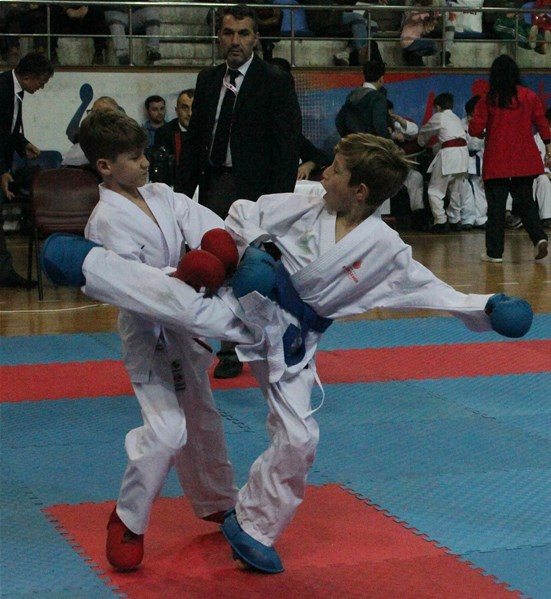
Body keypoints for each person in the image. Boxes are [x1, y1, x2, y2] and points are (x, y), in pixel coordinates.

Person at [42, 133, 534, 575]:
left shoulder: (385, 250)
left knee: (299, 438)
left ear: (359, 191)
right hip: (245, 306)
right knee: (180, 301)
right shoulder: (306, 205)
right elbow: (244, 213)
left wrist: (487, 306)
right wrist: (245, 249)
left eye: (335, 170)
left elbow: (429, 289)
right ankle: (89, 265)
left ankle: (252, 526)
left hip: (292, 344)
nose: (323, 175)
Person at [79, 109, 239, 571]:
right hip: (149, 333)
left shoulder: (161, 195)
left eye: (144, 153)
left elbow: (202, 222)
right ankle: (127, 518)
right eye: (134, 157)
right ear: (105, 166)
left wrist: (219, 246)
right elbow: (130, 283)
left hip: (186, 323)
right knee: (169, 431)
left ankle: (217, 500)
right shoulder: (105, 221)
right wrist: (186, 274)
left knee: (203, 417)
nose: (146, 163)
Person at [176, 3, 302, 379]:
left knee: (253, 268)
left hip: (255, 191)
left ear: (256, 38)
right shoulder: (208, 79)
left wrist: (276, 204)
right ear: (219, 37)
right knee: (215, 264)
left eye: (243, 33)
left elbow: (287, 147)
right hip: (214, 182)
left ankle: (265, 341)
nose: (236, 41)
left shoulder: (274, 80)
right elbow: (195, 141)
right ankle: (225, 344)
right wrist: (179, 196)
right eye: (229, 33)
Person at [469, 54, 550, 262]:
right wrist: (548, 144)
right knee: (526, 203)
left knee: (496, 207)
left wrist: (483, 133)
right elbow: (542, 123)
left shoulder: (488, 99)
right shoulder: (529, 95)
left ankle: (494, 252)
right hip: (525, 158)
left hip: (497, 159)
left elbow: (475, 128)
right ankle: (539, 238)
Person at [0, 51, 54, 288]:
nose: (42, 87)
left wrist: (23, 144)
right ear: (28, 77)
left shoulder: (15, 90)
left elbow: (8, 129)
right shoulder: (2, 88)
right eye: (41, 81)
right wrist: (2, 170)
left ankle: (4, 271)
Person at [417, 92, 468, 233]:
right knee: (456, 190)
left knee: (435, 190)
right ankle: (455, 220)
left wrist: (420, 142)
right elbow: (449, 139)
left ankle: (440, 221)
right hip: (462, 155)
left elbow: (424, 132)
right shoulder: (457, 118)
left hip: (449, 155)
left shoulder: (439, 116)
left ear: (438, 107)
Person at [301, 0, 383, 66]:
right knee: (357, 18)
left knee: (372, 25)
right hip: (321, 20)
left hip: (336, 17)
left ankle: (346, 53)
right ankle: (362, 56)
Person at [62, 96, 122, 168]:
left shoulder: (121, 139)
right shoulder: (87, 134)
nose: (93, 116)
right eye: (92, 112)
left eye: (100, 113)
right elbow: (71, 131)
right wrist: (84, 103)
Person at [335, 60, 390, 139]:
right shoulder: (378, 98)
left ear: (364, 76)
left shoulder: (352, 94)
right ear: (381, 79)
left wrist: (349, 139)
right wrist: (388, 139)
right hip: (371, 144)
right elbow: (379, 125)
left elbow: (339, 120)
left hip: (354, 143)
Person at [153, 89, 194, 186]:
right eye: (185, 108)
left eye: (194, 108)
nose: (190, 113)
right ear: (177, 110)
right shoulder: (164, 133)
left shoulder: (207, 132)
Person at [104, 0, 162, 65]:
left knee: (152, 13)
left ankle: (152, 50)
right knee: (115, 20)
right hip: (116, 11)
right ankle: (122, 55)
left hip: (135, 11)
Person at [460, 95, 487, 230]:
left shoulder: (487, 123)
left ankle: (481, 219)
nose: (471, 117)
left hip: (480, 159)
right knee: (465, 189)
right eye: (470, 114)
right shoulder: (460, 124)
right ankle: (467, 218)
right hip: (464, 159)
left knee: (480, 189)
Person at [400, 0, 440, 66]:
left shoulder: (424, 16)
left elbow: (426, 30)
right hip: (409, 41)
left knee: (434, 48)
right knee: (432, 44)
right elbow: (414, 18)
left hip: (416, 41)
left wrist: (433, 20)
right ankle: (413, 54)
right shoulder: (415, 10)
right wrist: (427, 14)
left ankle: (414, 55)